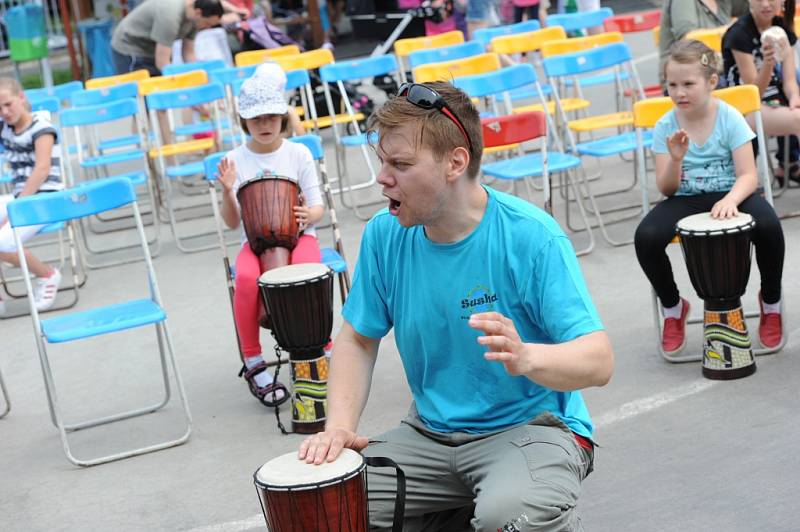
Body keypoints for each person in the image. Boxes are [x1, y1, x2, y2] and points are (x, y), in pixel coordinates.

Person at [299, 81, 614, 530]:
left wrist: (527, 357)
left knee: (510, 518)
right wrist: (339, 427)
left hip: (532, 430)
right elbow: (357, 338)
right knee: (320, 505)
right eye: (382, 162)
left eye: (400, 164)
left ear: (456, 162)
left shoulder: (531, 236)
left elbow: (599, 362)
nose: (382, 177)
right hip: (429, 436)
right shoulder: (384, 235)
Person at [635, 40, 785, 355]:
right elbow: (666, 190)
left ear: (712, 82)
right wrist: (676, 158)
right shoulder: (666, 125)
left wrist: (731, 199)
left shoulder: (729, 118)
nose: (679, 92)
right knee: (646, 237)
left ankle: (771, 301)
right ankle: (673, 307)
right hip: (685, 197)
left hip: (733, 193)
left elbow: (748, 175)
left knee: (770, 227)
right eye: (672, 84)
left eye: (688, 84)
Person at [216, 64, 325, 408]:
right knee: (247, 277)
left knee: (308, 274)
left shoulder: (299, 153)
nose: (264, 125)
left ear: (282, 117)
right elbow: (233, 223)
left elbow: (318, 205)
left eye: (271, 117)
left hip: (299, 236)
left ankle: (317, 348)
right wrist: (227, 191)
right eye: (256, 119)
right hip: (256, 242)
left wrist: (310, 215)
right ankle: (253, 360)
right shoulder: (235, 159)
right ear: (244, 121)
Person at [0, 79, 62, 316]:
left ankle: (47, 274)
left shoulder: (42, 127)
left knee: (2, 241)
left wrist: (16, 209)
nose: (5, 112)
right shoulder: (5, 127)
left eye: (8, 104)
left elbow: (42, 170)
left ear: (22, 98)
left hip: (46, 198)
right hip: (20, 197)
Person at [723, 0, 800, 183]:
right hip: (742, 108)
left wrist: (794, 97)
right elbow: (753, 93)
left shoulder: (780, 28)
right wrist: (767, 64)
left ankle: (787, 164)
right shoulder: (739, 34)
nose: (765, 4)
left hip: (774, 102)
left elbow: (789, 81)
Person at [111, 0, 224, 77]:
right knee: (142, 96)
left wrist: (199, 77)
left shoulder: (195, 20)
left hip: (151, 48)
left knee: (160, 96)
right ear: (198, 13)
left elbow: (189, 55)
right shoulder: (171, 16)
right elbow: (162, 63)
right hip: (130, 45)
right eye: (207, 23)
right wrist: (182, 84)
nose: (208, 28)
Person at [659, 0, 749, 87]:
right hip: (686, 77)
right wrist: (731, 30)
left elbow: (754, 9)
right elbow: (687, 38)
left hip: (720, 68)